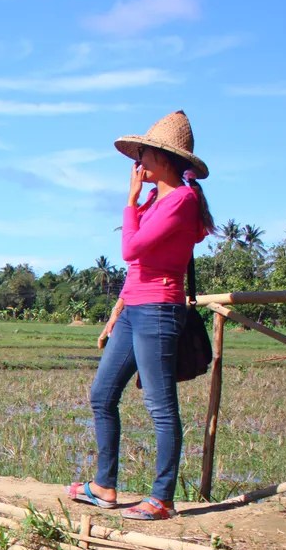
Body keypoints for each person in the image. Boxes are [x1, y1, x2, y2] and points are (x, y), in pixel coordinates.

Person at [67, 111, 215, 521]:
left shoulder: (182, 201)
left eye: (144, 154)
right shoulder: (156, 201)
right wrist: (117, 312)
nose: (138, 163)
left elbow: (130, 249)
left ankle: (162, 498)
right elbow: (136, 266)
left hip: (159, 310)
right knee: (102, 394)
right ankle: (104, 485)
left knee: (160, 405)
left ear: (165, 158)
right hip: (134, 309)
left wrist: (129, 202)